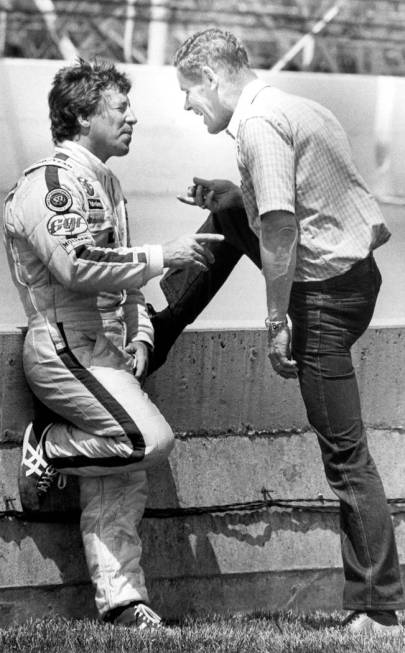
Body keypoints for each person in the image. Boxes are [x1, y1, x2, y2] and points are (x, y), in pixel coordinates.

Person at [149, 28, 405, 635]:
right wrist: (236, 194)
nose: (188, 105)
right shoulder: (292, 106)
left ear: (211, 78)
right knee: (229, 213)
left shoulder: (260, 126)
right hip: (355, 277)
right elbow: (289, 202)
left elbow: (284, 227)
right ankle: (158, 332)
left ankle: (379, 609)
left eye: (189, 91)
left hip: (324, 298)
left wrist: (275, 321)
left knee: (346, 457)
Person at [3, 58, 223, 629]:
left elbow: (123, 284)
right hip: (62, 347)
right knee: (148, 441)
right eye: (120, 109)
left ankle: (124, 603)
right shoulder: (47, 183)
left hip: (106, 351)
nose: (133, 118)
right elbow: (76, 264)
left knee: (121, 481)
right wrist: (162, 255)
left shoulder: (108, 182)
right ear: (80, 116)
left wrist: (143, 335)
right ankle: (49, 446)